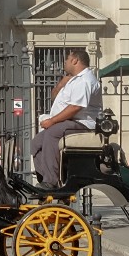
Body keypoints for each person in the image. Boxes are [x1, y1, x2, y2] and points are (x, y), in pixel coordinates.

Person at [30, 47, 101, 187]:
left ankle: (50, 181)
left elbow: (76, 107)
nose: (64, 63)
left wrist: (52, 121)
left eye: (67, 60)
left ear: (75, 60)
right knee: (36, 142)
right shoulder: (73, 80)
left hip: (84, 124)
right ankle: (45, 178)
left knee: (51, 133)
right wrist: (61, 83)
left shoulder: (85, 80)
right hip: (70, 122)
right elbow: (53, 96)